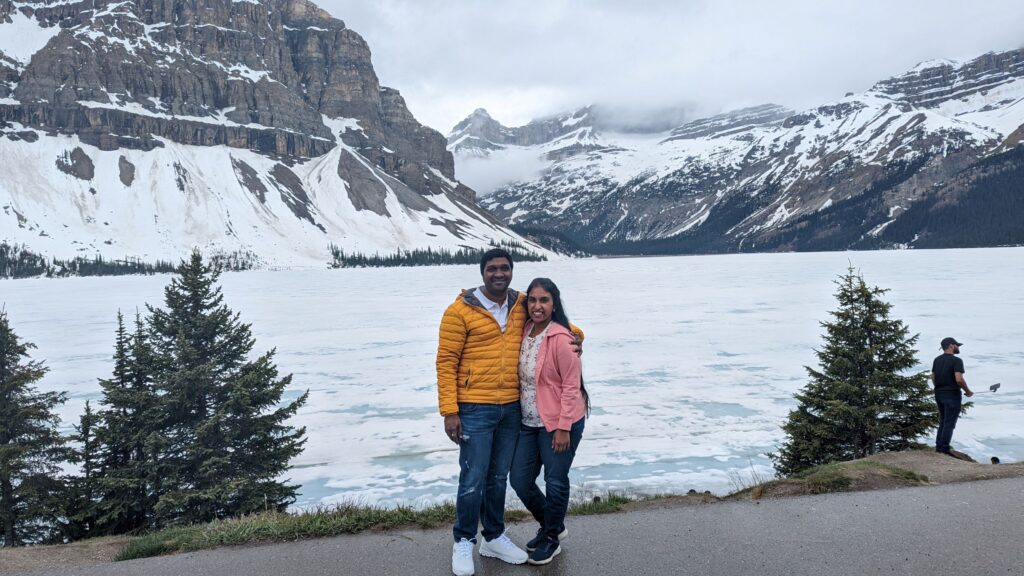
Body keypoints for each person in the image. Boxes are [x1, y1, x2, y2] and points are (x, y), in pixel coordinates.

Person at [436, 249, 582, 576]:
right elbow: (445, 363)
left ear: (511, 272)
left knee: (499, 477)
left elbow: (557, 325)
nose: (498, 274)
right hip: (474, 406)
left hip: (511, 408)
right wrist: (450, 410)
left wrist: (577, 337)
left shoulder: (520, 305)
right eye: (492, 269)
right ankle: (463, 540)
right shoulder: (459, 312)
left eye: (504, 268)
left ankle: (493, 535)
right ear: (482, 272)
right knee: (473, 477)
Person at [509, 278, 589, 566]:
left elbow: (571, 385)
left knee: (555, 480)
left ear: (554, 303)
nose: (537, 306)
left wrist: (563, 426)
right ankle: (552, 524)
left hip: (559, 422)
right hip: (529, 421)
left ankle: (551, 537)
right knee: (519, 479)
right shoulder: (525, 330)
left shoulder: (563, 338)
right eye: (532, 300)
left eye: (544, 300)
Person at [931, 337, 973, 455]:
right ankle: (944, 449)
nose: (958, 347)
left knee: (943, 421)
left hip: (939, 393)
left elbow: (933, 377)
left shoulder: (937, 360)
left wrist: (939, 387)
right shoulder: (957, 361)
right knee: (949, 423)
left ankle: (939, 447)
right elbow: (959, 379)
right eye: (957, 345)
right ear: (951, 346)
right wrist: (968, 391)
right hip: (952, 394)